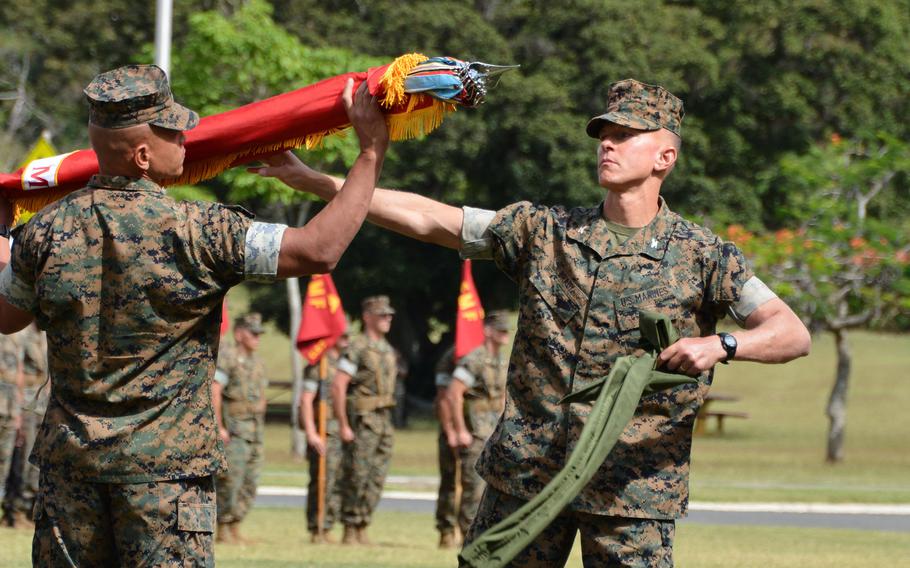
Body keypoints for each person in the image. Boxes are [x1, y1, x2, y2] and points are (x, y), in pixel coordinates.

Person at [253, 78, 812, 566]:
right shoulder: (544, 232)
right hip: (528, 475)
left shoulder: (703, 255)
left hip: (632, 489)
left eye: (625, 134)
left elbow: (790, 332)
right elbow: (433, 219)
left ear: (665, 157)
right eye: (603, 134)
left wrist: (722, 344)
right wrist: (324, 184)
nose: (608, 145)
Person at [0, 63, 389, 566]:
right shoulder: (199, 231)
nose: (186, 137)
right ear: (143, 155)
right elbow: (319, 250)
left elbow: (7, 318)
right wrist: (370, 152)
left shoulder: (44, 234)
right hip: (163, 482)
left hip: (69, 474)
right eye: (172, 130)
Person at [333, 295, 397, 545]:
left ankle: (363, 524)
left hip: (384, 420)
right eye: (382, 315)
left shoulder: (387, 349)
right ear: (367, 317)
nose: (387, 318)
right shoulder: (357, 347)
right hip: (363, 421)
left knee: (377, 476)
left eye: (389, 315)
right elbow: (338, 387)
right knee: (357, 474)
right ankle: (350, 526)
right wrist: (343, 424)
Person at [447, 311, 510, 539]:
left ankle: (485, 536)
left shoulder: (503, 361)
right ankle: (467, 536)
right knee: (473, 488)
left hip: (496, 433)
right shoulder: (473, 359)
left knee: (492, 490)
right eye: (500, 329)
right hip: (475, 433)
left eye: (506, 330)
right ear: (488, 331)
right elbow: (454, 394)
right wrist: (459, 430)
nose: (505, 334)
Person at [212, 312, 267, 544]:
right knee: (230, 480)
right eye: (252, 333)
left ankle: (236, 524)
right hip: (233, 430)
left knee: (250, 480)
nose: (257, 337)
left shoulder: (258, 363)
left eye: (258, 333)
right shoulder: (228, 358)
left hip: (254, 431)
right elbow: (215, 391)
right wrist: (219, 427)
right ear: (239, 333)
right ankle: (223, 526)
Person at [300, 330, 350, 543]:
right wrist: (311, 433)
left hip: (340, 432)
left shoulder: (344, 364)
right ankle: (317, 527)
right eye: (343, 336)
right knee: (322, 481)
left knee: (338, 481)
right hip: (324, 433)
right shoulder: (319, 366)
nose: (347, 341)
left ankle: (329, 525)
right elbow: (306, 400)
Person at [1, 323, 47, 529]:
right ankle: (13, 510)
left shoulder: (44, 335)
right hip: (17, 404)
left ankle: (21, 510)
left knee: (25, 462)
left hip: (26, 406)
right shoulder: (19, 333)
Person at [433, 344, 459, 548]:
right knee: (450, 482)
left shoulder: (490, 356)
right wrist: (450, 430)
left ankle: (468, 531)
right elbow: (444, 396)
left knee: (475, 487)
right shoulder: (452, 356)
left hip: (480, 431)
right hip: (454, 432)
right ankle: (447, 531)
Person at [0, 332, 22, 528]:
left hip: (9, 410)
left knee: (5, 462)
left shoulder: (14, 339)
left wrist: (18, 414)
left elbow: (17, 380)